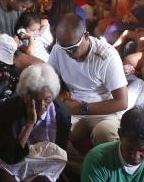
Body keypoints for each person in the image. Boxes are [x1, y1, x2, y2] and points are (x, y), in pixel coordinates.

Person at [0, 64, 71, 182]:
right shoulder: (9, 109)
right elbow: (10, 156)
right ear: (24, 96)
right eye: (34, 100)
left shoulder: (62, 114)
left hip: (44, 166)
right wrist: (30, 123)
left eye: (46, 100)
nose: (41, 106)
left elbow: (58, 153)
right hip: (14, 161)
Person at [47, 13, 131, 150]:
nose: (68, 53)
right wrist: (60, 98)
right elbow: (49, 77)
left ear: (86, 36)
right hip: (73, 107)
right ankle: (79, 167)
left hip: (104, 110)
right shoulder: (59, 49)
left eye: (73, 48)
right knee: (52, 132)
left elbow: (122, 102)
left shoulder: (107, 56)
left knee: (104, 135)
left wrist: (82, 108)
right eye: (64, 48)